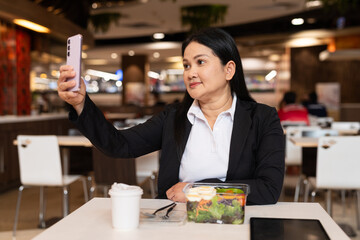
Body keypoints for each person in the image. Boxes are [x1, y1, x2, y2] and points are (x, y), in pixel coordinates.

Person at [57, 27, 285, 205]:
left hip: (234, 223)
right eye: (186, 65)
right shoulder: (173, 117)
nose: (190, 73)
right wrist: (81, 104)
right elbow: (119, 145)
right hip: (176, 223)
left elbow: (269, 189)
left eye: (200, 62)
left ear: (229, 70)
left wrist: (196, 191)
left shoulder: (263, 119)